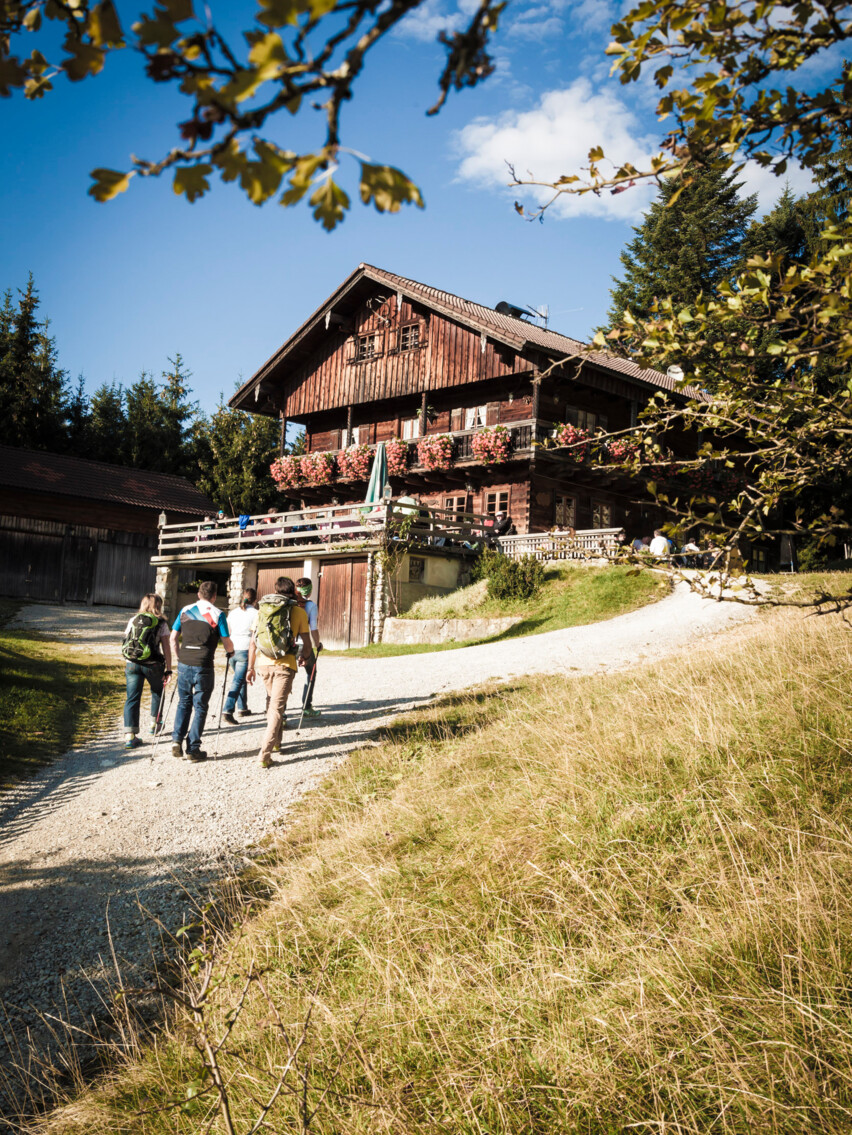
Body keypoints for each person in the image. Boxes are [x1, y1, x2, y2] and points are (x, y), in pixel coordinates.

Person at [246, 576, 310, 768]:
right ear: (293, 591)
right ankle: (264, 755)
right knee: (276, 707)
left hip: (263, 664)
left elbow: (252, 643)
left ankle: (277, 743)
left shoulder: (262, 612)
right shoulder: (298, 612)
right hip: (285, 665)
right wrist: (305, 657)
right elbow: (307, 643)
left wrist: (250, 668)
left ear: (275, 589)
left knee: (272, 702)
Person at [169, 581, 234, 762]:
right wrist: (231, 652)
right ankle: (193, 748)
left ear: (199, 594)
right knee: (200, 706)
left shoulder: (184, 611)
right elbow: (226, 641)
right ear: (214, 596)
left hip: (184, 662)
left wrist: (178, 657)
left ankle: (176, 739)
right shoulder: (218, 614)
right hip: (203, 664)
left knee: (183, 702)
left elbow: (173, 638)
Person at [122, 593, 172, 749]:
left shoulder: (133, 620)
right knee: (157, 691)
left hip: (132, 663)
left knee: (132, 697)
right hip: (153, 664)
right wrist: (169, 669)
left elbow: (127, 639)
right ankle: (154, 724)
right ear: (158, 606)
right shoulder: (161, 623)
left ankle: (130, 736)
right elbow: (166, 647)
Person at [222, 588, 258, 725]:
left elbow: (228, 631)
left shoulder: (233, 613)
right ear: (255, 600)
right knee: (238, 680)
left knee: (239, 678)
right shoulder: (256, 613)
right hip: (245, 648)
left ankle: (242, 707)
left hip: (232, 648)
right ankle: (228, 709)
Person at [295, 576, 322, 718]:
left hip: (290, 645)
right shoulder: (311, 606)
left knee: (287, 677)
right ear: (310, 590)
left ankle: (282, 713)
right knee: (311, 673)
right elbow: (313, 628)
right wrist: (318, 644)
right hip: (304, 644)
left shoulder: (290, 603)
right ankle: (306, 706)